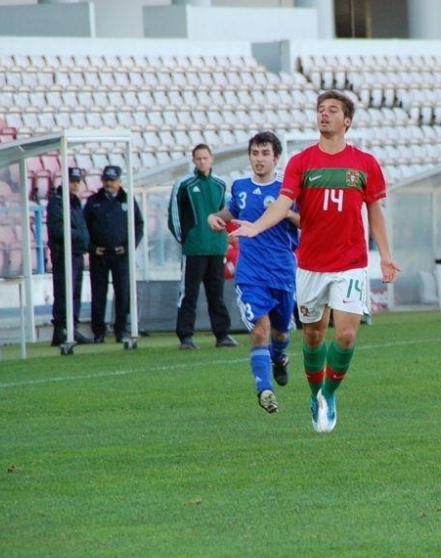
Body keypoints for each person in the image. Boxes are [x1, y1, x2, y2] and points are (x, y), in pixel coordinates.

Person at [230, 90, 401, 433]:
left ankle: (330, 394)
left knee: (348, 335)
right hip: (309, 265)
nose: (324, 115)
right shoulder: (301, 162)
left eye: (332, 110)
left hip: (351, 262)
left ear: (347, 121)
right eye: (320, 110)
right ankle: (313, 392)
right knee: (312, 338)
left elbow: (375, 211)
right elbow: (283, 204)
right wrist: (257, 226)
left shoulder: (365, 164)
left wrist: (384, 255)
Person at [207, 131, 300, 414]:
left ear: (276, 158)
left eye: (265, 154)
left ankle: (279, 358)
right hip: (250, 274)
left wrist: (287, 213)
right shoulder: (240, 187)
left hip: (282, 272)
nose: (259, 159)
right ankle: (265, 389)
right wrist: (215, 217)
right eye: (255, 154)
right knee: (261, 329)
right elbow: (230, 212)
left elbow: (305, 222)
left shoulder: (288, 191)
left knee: (281, 334)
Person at [168, 143, 238, 350]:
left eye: (205, 158)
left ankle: (222, 334)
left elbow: (225, 214)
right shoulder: (184, 184)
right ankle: (186, 336)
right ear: (194, 160)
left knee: (216, 293)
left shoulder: (220, 184)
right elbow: (174, 215)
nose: (202, 162)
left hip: (216, 248)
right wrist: (186, 239)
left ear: (211, 159)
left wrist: (224, 239)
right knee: (188, 293)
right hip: (194, 249)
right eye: (198, 158)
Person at [83, 165, 143, 344]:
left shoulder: (128, 200)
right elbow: (83, 227)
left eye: (112, 180)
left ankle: (121, 330)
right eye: (106, 180)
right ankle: (99, 332)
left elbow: (138, 225)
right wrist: (92, 248)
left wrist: (128, 246)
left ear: (119, 181)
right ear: (102, 181)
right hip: (99, 255)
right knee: (99, 294)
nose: (109, 183)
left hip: (121, 255)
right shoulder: (94, 201)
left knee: (122, 293)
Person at [46, 167, 92, 346]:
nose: (75, 185)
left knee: (74, 292)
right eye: (72, 181)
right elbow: (58, 229)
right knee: (64, 292)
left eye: (77, 181)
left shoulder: (74, 202)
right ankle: (61, 330)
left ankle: (71, 328)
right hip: (64, 253)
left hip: (76, 252)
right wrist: (81, 236)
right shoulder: (57, 202)